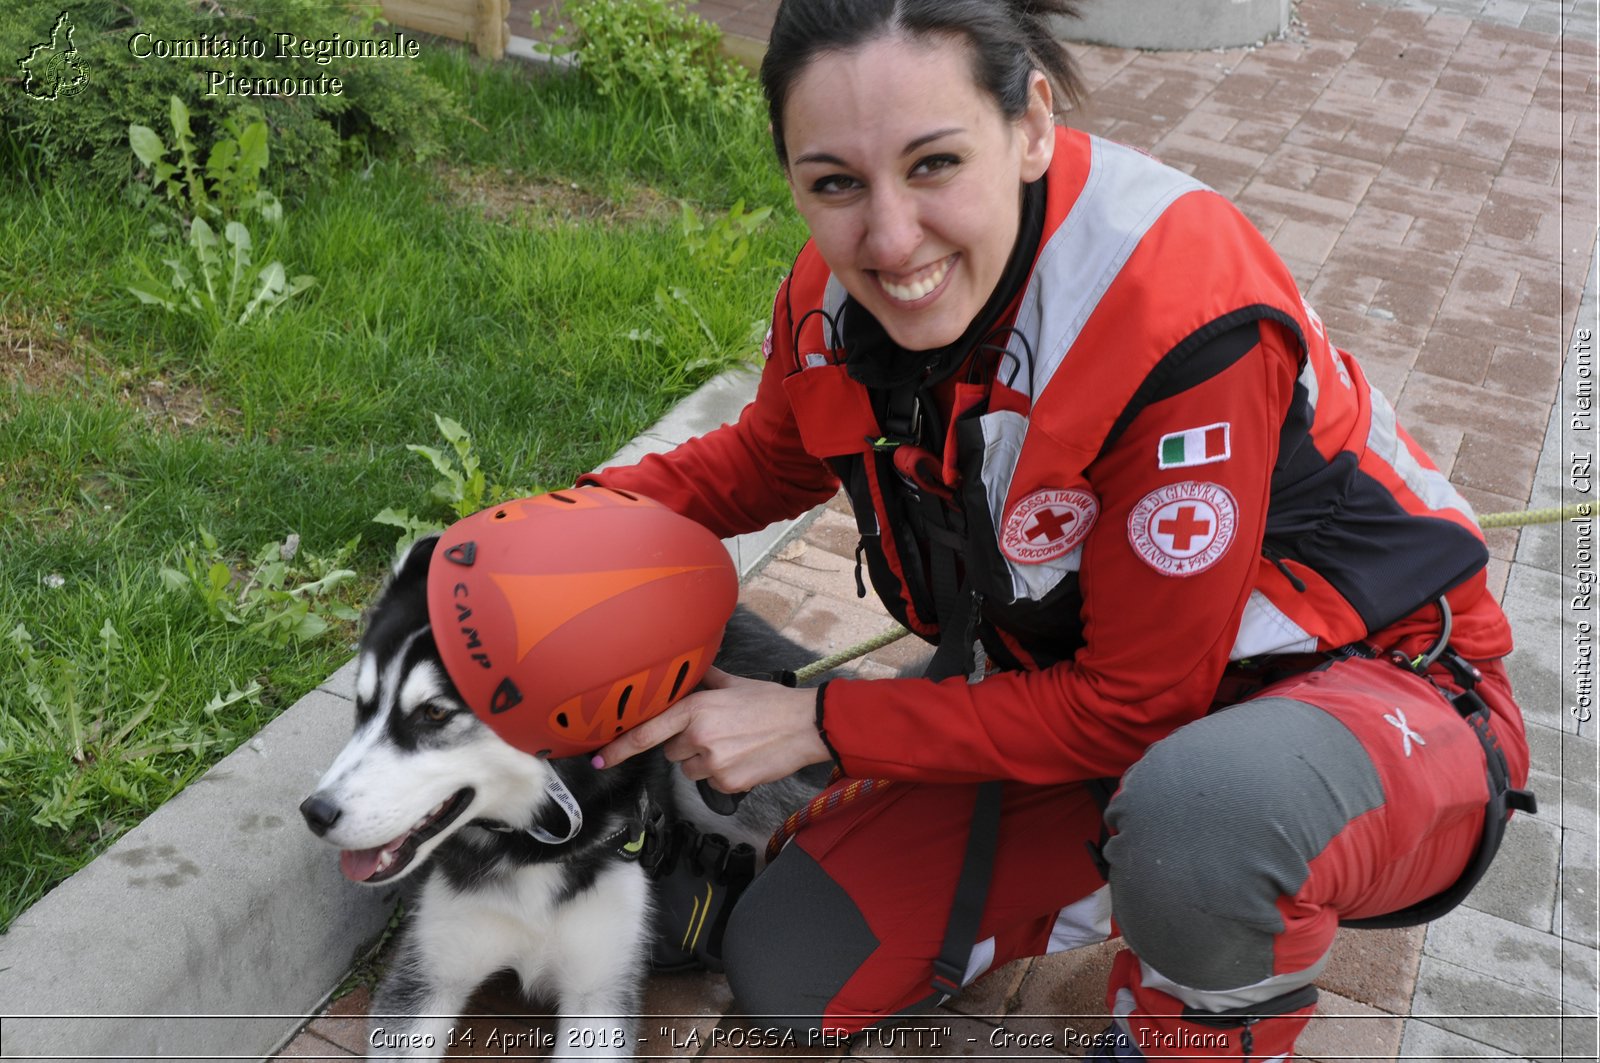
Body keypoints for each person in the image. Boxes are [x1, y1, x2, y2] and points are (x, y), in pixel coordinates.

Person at [580, 1, 1534, 1057]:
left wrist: (825, 722)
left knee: (1209, 819)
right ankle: (1145, 863)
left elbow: (1137, 702)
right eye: (834, 183)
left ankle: (1194, 976)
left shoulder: (1172, 312)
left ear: (1032, 123)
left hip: (1379, 689)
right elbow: (766, 458)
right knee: (794, 964)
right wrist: (564, 522)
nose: (890, 239)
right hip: (1103, 714)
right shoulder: (835, 293)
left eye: (933, 163)